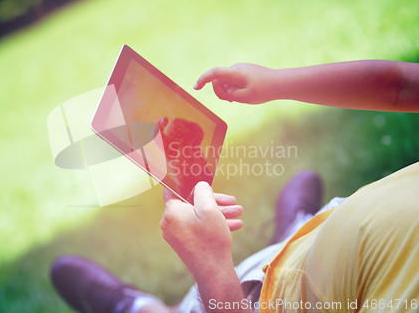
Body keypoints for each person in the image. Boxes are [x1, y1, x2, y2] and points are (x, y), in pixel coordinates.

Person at [50, 60, 419, 313]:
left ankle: (136, 306)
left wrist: (210, 265)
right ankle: (293, 230)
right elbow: (402, 86)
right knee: (293, 248)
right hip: (320, 241)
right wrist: (276, 82)